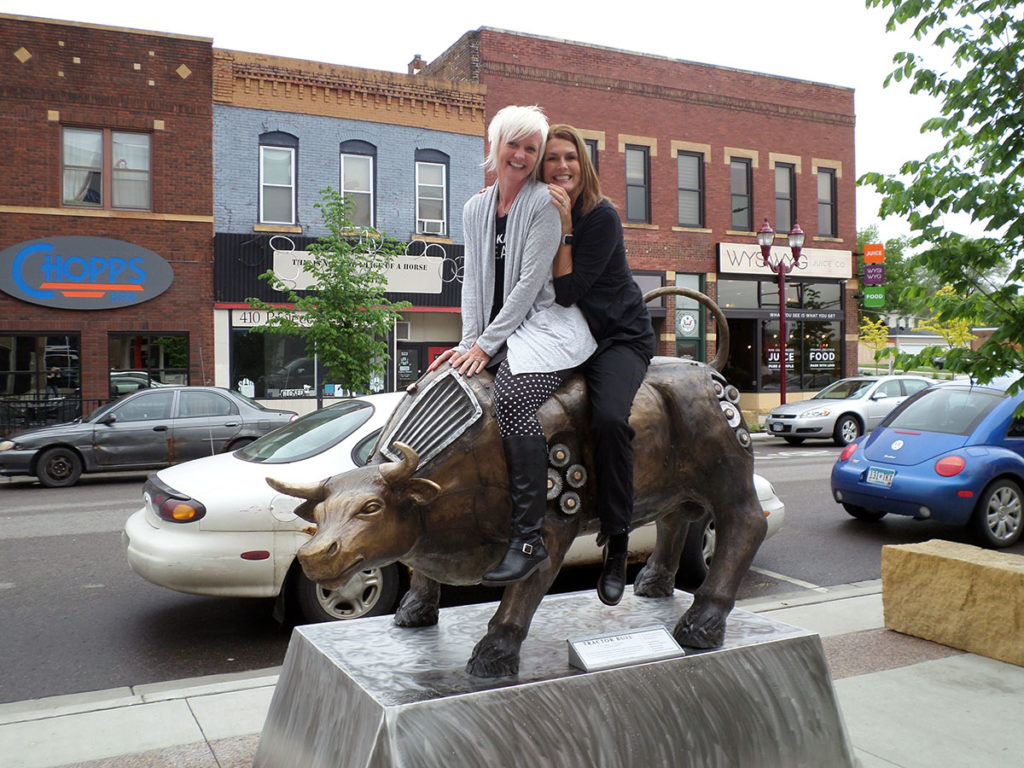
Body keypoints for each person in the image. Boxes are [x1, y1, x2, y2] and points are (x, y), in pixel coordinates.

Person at [429, 106, 596, 586]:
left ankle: (528, 537)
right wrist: (467, 343)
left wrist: (485, 345)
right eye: (513, 145)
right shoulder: (474, 208)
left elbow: (527, 285)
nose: (521, 155)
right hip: (496, 331)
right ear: (495, 145)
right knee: (448, 383)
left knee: (514, 399)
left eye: (531, 148)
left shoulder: (545, 203)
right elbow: (471, 285)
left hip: (546, 327)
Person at [543, 124, 657, 606]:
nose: (562, 166)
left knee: (610, 420)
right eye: (552, 158)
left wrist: (565, 224)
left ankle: (617, 543)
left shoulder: (600, 215)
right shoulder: (538, 210)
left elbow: (569, 290)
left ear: (583, 164)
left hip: (619, 338)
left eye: (570, 157)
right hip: (570, 338)